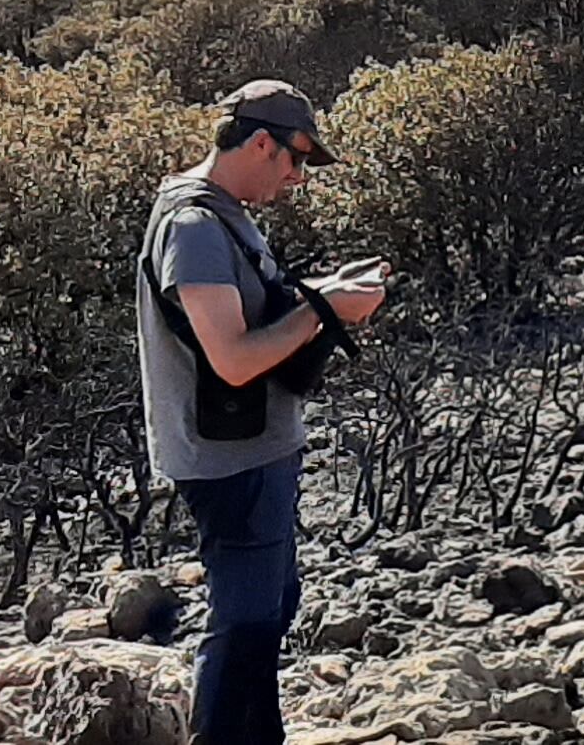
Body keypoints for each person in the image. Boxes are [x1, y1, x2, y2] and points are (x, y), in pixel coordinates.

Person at [138, 79, 389, 745]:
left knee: (269, 610)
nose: (297, 177)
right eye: (294, 158)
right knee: (246, 621)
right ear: (257, 142)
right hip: (229, 458)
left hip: (255, 447)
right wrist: (326, 309)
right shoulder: (195, 227)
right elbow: (235, 360)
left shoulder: (221, 212)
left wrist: (324, 293)